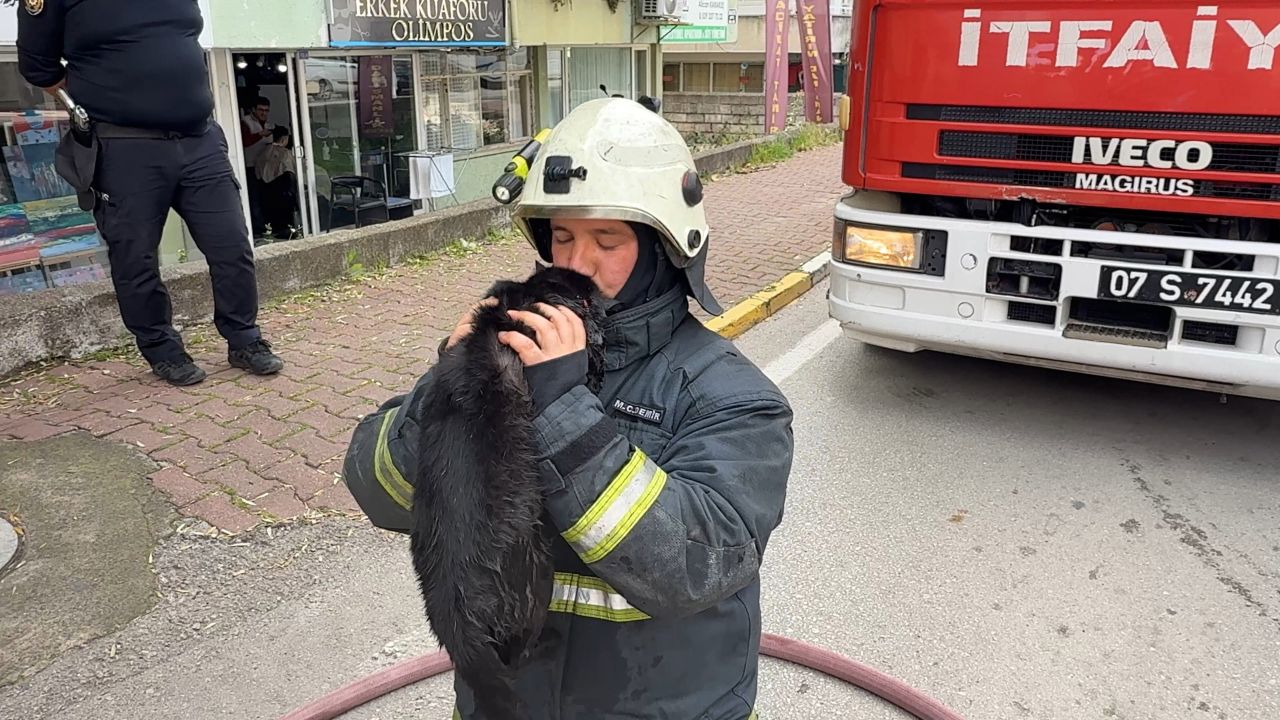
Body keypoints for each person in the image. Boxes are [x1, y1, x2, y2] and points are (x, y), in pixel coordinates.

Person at [342, 98, 794, 719]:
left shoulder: (731, 399)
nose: (576, 263)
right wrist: (449, 387)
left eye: (607, 239)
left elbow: (694, 566)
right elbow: (380, 493)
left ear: (667, 248)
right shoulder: (512, 360)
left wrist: (562, 409)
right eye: (562, 236)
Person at [15, 0, 284, 386]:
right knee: (135, 259)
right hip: (124, 145)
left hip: (199, 138)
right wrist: (104, 92)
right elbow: (38, 67)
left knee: (232, 246)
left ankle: (244, 339)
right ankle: (162, 349)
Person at [255, 125, 298, 241]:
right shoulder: (285, 154)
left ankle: (276, 229)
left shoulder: (264, 152)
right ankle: (288, 230)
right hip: (283, 188)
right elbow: (291, 172)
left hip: (266, 189)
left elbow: (259, 172)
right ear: (284, 139)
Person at [240, 96, 273, 236]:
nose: (263, 113)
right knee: (254, 198)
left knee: (266, 197)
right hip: (250, 166)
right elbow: (244, 141)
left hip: (266, 167)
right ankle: (258, 229)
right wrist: (260, 135)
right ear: (253, 109)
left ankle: (268, 225)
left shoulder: (268, 124)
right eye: (260, 110)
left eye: (266, 110)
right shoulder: (245, 122)